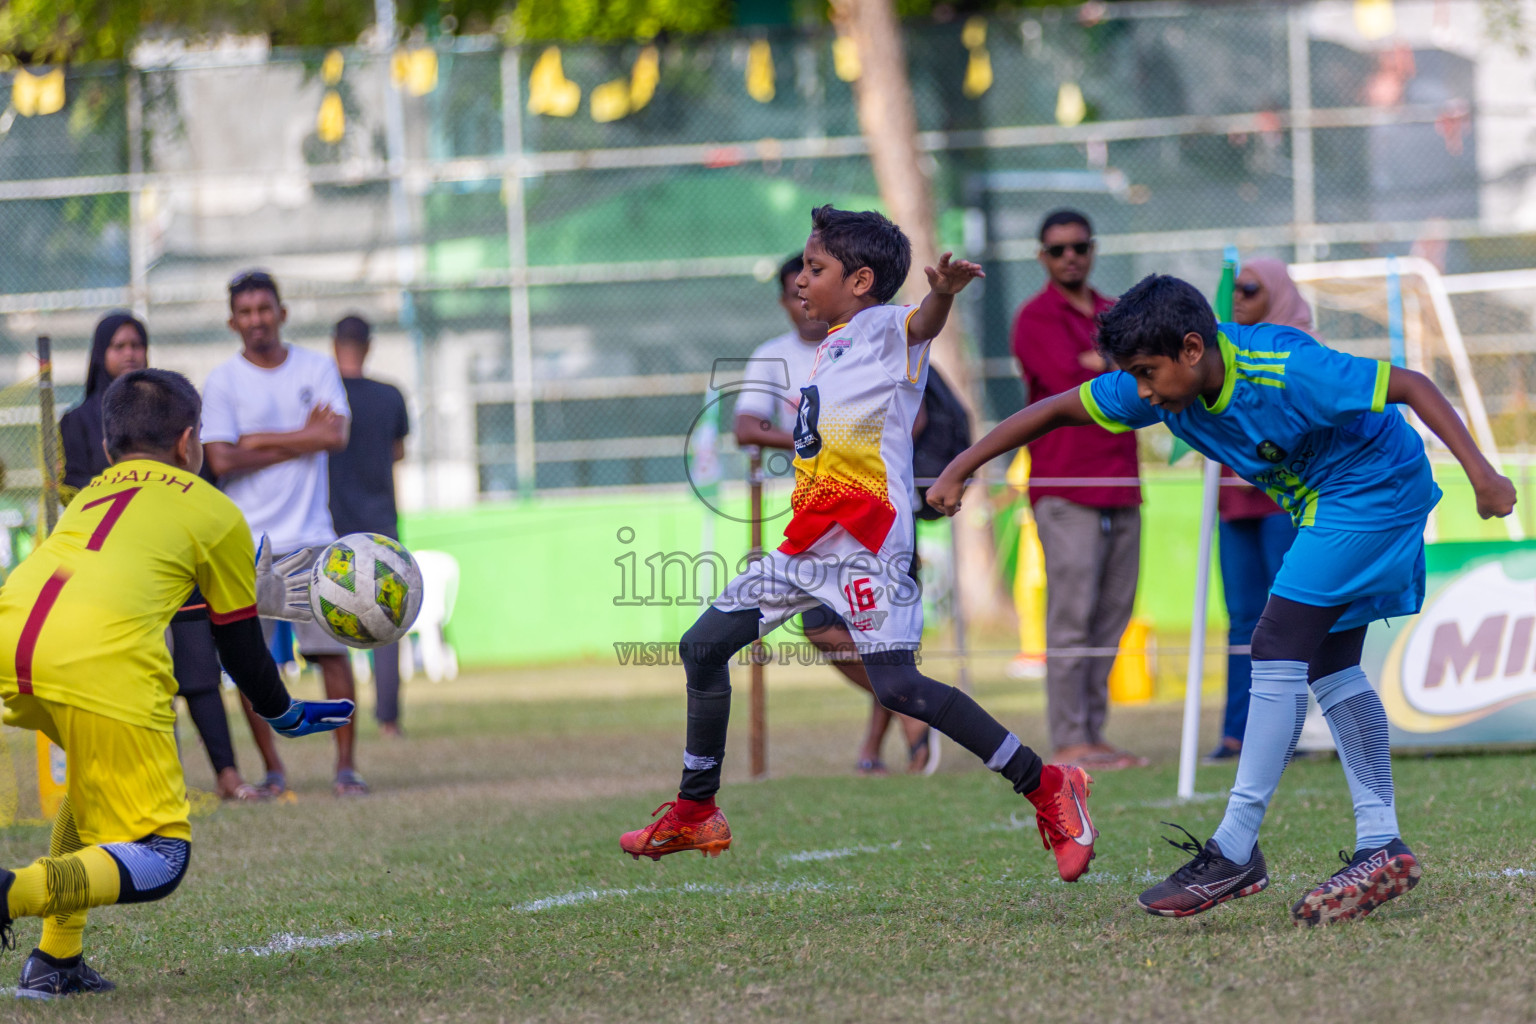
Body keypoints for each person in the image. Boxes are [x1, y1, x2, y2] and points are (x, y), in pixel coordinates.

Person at [929, 273, 1516, 925]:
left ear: (1189, 348)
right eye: (1134, 378)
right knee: (1328, 664)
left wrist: (1483, 476)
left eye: (1147, 374)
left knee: (1273, 643)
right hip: (1325, 499)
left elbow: (1409, 384)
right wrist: (963, 465)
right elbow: (1058, 408)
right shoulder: (1166, 379)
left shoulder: (1283, 367)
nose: (1143, 394)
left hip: (1375, 487)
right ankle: (1381, 844)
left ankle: (1235, 849)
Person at [619, 206, 1098, 884]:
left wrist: (940, 294)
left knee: (900, 685)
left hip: (869, 544)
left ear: (863, 280)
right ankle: (697, 810)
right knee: (702, 647)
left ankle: (1047, 782)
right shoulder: (835, 341)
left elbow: (919, 324)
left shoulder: (879, 327)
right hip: (811, 539)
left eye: (815, 270)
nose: (801, 283)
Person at [0, 368, 352, 998]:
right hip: (100, 662)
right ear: (190, 443)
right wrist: (280, 708)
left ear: (109, 449)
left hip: (13, 637)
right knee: (162, 856)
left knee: (91, 786)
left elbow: (163, 588)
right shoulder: (214, 511)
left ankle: (56, 960)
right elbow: (239, 642)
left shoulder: (93, 493)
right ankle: (12, 893)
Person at [733, 255, 936, 775]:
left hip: (879, 515)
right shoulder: (772, 357)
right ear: (783, 299)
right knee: (823, 630)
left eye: (814, 277)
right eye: (795, 285)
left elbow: (916, 416)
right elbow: (747, 428)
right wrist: (812, 439)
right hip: (819, 521)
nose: (803, 290)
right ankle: (916, 717)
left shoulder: (873, 338)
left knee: (883, 639)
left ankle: (879, 750)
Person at [59, 312, 267, 802]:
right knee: (143, 681)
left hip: (174, 555)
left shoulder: (172, 414)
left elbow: (198, 477)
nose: (130, 353)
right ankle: (162, 782)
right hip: (117, 570)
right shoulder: (78, 421)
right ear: (100, 354)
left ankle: (228, 775)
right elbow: (76, 491)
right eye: (119, 345)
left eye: (137, 344)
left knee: (200, 668)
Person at [200, 270, 367, 797]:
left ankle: (346, 768)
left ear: (282, 312)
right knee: (253, 665)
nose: (256, 320)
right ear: (233, 321)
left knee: (332, 656)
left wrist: (258, 440)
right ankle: (274, 771)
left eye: (264, 309)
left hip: (313, 538)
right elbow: (220, 457)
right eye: (245, 312)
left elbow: (336, 434)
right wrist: (303, 435)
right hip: (245, 546)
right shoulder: (223, 381)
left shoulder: (316, 367)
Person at [1011, 210, 1144, 770]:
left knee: (1112, 616)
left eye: (1079, 247)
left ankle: (1094, 731)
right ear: (1043, 257)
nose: (1070, 256)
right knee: (1071, 616)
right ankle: (1069, 738)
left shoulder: (1116, 312)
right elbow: (1084, 385)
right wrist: (1112, 367)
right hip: (1065, 487)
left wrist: (1106, 365)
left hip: (1123, 485)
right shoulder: (1033, 318)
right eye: (1058, 249)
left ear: (1091, 250)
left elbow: (1133, 380)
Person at [1205, 259, 1307, 764]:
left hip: (1285, 498)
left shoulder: (1300, 350)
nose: (1238, 298)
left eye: (1250, 288)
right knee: (1242, 618)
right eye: (1234, 290)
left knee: (1287, 617)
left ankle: (1293, 735)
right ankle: (1236, 734)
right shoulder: (1222, 348)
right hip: (1234, 499)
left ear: (1278, 293)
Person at [328, 316, 410, 738]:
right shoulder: (390, 396)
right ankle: (389, 720)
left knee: (327, 624)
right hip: (381, 523)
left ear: (334, 345)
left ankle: (337, 718)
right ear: (369, 345)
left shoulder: (324, 402)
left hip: (331, 526)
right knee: (388, 624)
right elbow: (397, 451)